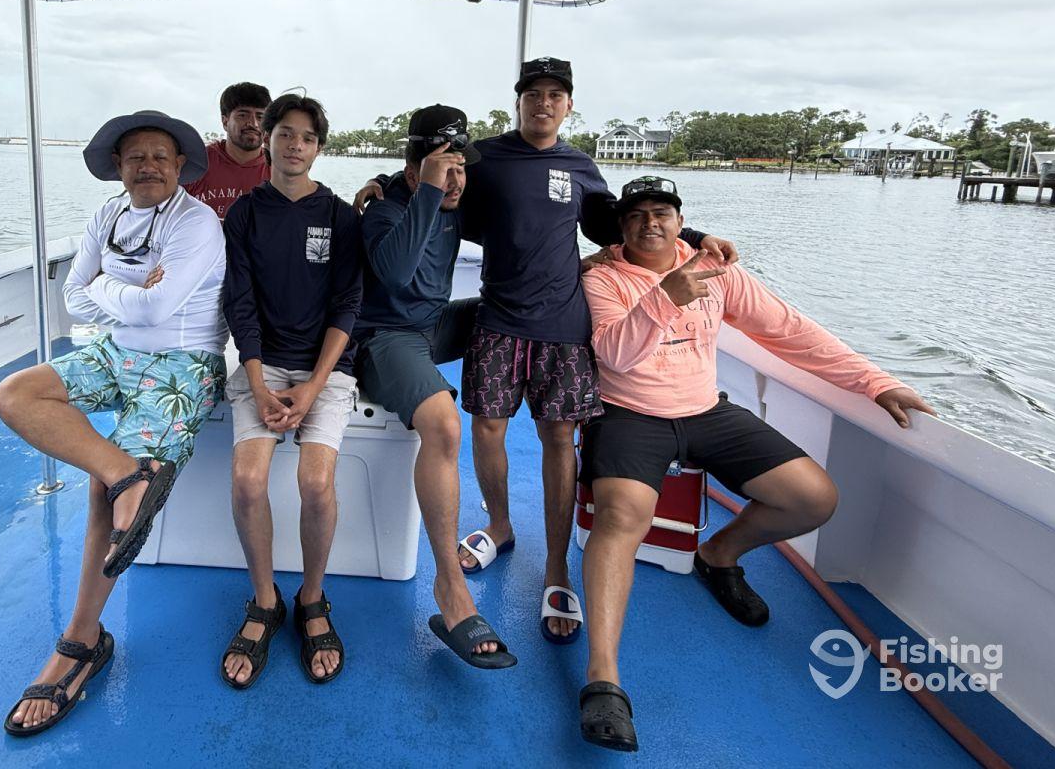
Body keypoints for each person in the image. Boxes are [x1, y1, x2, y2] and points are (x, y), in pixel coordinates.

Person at [575, 176, 935, 752]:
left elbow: (789, 331)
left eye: (662, 211)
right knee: (623, 518)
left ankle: (718, 555)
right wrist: (667, 295)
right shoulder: (603, 277)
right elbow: (615, 353)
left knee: (814, 497)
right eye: (637, 214)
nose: (651, 223)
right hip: (629, 414)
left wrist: (873, 381)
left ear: (679, 219)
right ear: (621, 225)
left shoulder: (719, 271)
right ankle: (603, 678)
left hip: (705, 410)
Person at [446, 57, 734, 645]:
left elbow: (623, 224)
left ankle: (556, 565)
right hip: (499, 320)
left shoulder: (580, 166)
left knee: (557, 439)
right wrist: (381, 187)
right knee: (488, 431)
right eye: (534, 94)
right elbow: (441, 195)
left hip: (563, 327)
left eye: (555, 95)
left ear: (568, 105)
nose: (543, 103)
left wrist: (698, 236)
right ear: (518, 101)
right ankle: (499, 525)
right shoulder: (485, 156)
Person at [0, 110, 227, 736]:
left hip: (184, 355)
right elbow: (72, 300)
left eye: (159, 156)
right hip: (115, 350)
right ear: (118, 168)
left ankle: (82, 640)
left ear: (180, 167)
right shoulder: (106, 216)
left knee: (97, 494)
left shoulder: (196, 222)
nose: (146, 166)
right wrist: (124, 284)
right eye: (134, 158)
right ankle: (127, 472)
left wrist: (107, 280)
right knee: (15, 394)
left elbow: (160, 306)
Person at [356, 105, 516, 670]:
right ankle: (450, 591)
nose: (455, 180)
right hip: (385, 338)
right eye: (442, 167)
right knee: (444, 425)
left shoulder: (454, 202)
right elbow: (396, 275)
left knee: (522, 313)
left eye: (460, 169)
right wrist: (421, 192)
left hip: (433, 325)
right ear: (413, 168)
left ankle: (504, 515)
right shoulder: (384, 211)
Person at [220, 92, 363, 689]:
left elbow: (348, 303)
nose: (294, 144)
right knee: (249, 479)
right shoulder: (245, 214)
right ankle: (264, 600)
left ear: (319, 147)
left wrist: (314, 386)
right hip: (262, 366)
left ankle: (310, 597)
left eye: (307, 136)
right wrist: (256, 383)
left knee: (315, 480)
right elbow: (240, 303)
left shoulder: (339, 217)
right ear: (269, 139)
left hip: (327, 371)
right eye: (285, 133)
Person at [185, 81, 271, 218]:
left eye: (260, 117)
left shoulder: (278, 171)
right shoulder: (197, 163)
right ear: (225, 122)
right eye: (243, 115)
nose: (253, 124)